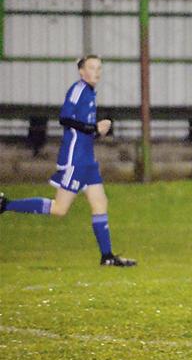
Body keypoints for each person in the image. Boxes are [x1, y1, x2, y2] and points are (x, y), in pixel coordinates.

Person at [0, 55, 136, 267]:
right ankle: (6, 204)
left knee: (100, 203)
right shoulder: (79, 89)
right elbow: (65, 118)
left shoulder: (90, 93)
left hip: (88, 159)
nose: (96, 72)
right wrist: (93, 128)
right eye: (92, 67)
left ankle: (107, 256)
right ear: (82, 71)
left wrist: (99, 130)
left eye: (99, 68)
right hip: (76, 159)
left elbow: (82, 129)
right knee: (59, 209)